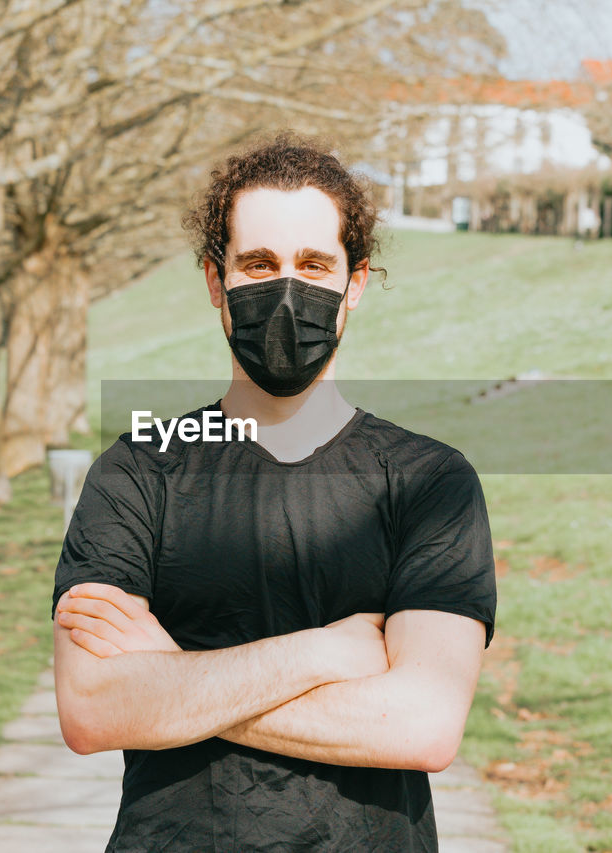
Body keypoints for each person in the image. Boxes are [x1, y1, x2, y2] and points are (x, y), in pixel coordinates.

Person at [49, 131, 498, 851]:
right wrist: (325, 651)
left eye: (314, 264)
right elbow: (92, 707)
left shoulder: (429, 482)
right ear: (213, 279)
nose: (286, 290)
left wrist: (171, 681)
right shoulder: (137, 471)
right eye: (258, 263)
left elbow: (423, 724)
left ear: (355, 284)